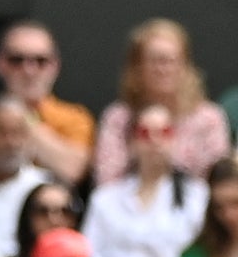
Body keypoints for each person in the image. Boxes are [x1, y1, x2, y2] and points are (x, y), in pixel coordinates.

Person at [0, 21, 94, 186]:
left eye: (40, 61)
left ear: (55, 66)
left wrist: (24, 121)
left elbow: (74, 171)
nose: (29, 70)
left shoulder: (75, 118)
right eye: (17, 60)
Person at [91, 19, 230, 186]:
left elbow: (219, 183)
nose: (163, 69)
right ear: (137, 67)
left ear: (185, 66)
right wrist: (139, 154)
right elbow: (105, 181)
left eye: (171, 60)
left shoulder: (209, 118)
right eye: (155, 61)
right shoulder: (119, 118)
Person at [83, 104, 208, 257]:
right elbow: (90, 256)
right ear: (131, 142)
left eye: (164, 132)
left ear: (176, 139)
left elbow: (205, 253)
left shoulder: (198, 196)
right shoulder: (105, 199)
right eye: (145, 133)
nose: (155, 141)